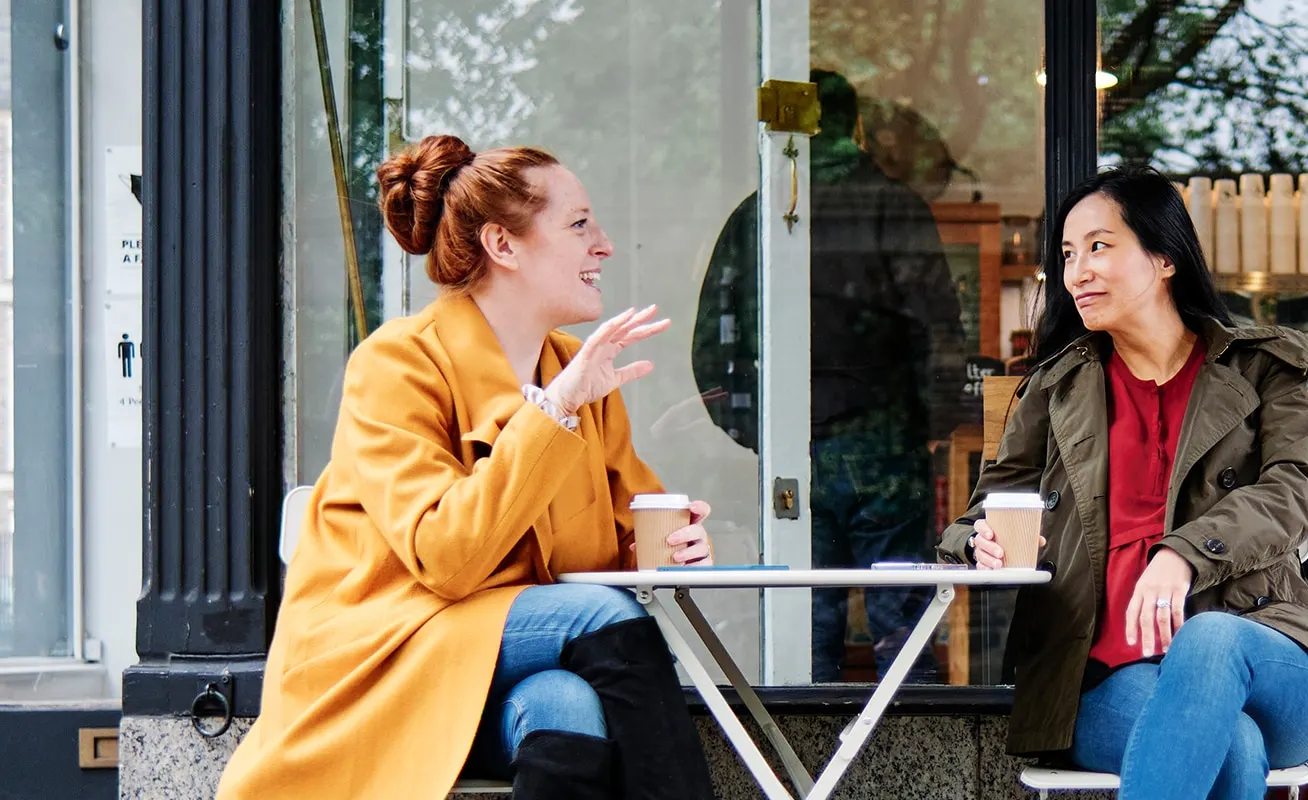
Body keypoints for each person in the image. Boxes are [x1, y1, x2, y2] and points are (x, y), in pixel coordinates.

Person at [217, 135, 718, 800]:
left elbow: (612, 545)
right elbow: (448, 557)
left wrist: (667, 545)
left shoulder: (575, 370)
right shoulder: (396, 364)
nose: (605, 245)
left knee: (565, 702)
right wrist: (557, 409)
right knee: (601, 619)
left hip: (492, 667)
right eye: (578, 225)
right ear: (501, 246)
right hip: (385, 662)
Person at [938, 166, 1308, 799]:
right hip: (1104, 676)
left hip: (1263, 646)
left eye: (1100, 246)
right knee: (1232, 749)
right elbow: (986, 509)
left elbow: (1296, 490)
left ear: (1164, 258)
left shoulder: (1263, 369)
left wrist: (1184, 554)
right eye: (1068, 255)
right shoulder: (1055, 389)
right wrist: (977, 542)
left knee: (1208, 643)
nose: (1077, 272)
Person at [691, 68, 968, 682]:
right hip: (887, 448)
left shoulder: (757, 216)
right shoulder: (895, 206)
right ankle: (914, 765)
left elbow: (714, 344)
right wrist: (930, 427)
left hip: (794, 449)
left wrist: (758, 430)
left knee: (799, 638)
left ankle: (796, 768)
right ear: (856, 126)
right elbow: (942, 332)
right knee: (904, 633)